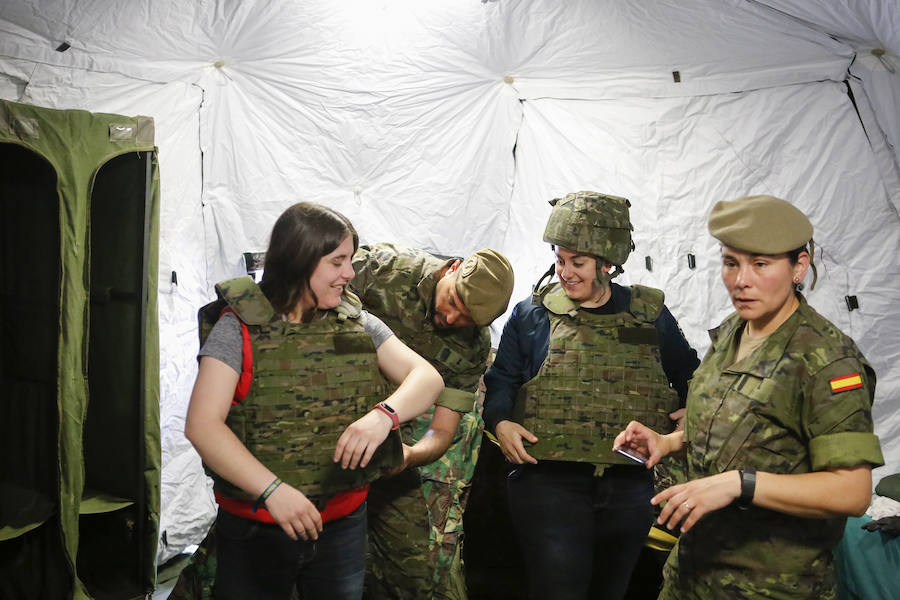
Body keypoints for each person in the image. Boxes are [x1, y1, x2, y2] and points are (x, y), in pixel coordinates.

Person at [614, 195, 885, 599]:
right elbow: (735, 424)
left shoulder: (826, 360)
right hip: (692, 575)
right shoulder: (732, 333)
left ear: (799, 267)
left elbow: (853, 492)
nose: (741, 280)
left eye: (760, 264)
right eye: (730, 263)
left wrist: (742, 485)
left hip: (769, 588)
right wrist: (668, 442)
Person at [183, 202, 444, 600]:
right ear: (300, 260)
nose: (350, 274)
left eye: (351, 260)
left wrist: (383, 416)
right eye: (338, 261)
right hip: (257, 530)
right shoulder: (238, 328)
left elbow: (427, 377)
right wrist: (273, 491)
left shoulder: (355, 322)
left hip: (341, 525)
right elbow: (202, 425)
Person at [481, 191, 700, 600]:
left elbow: (688, 372)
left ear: (608, 263)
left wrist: (691, 409)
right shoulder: (533, 315)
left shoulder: (649, 315)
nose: (565, 272)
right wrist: (501, 420)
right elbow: (503, 379)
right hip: (548, 484)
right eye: (559, 259)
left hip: (628, 484)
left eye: (577, 262)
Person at [350, 242, 515, 600]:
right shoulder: (382, 270)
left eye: (469, 318)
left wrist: (410, 456)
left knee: (413, 569)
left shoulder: (472, 345)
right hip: (325, 428)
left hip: (387, 452)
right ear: (451, 269)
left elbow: (442, 432)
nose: (453, 319)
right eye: (454, 302)